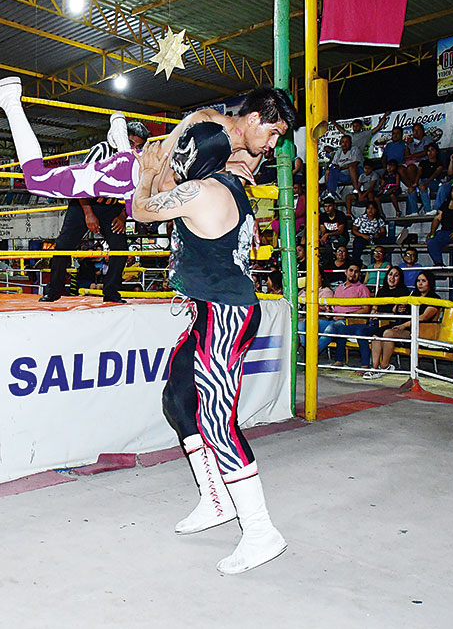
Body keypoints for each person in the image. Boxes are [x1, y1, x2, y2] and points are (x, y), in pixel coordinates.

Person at [130, 86, 295, 575]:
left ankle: (262, 531)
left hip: (226, 315)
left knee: (219, 424)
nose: (268, 146)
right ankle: (215, 500)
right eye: (270, 133)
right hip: (215, 310)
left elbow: (140, 212)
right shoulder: (230, 182)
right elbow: (216, 131)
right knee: (179, 399)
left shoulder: (203, 192)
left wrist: (146, 174)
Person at [0, 77, 277, 212]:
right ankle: (10, 101)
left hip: (133, 183)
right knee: (37, 180)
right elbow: (163, 176)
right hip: (128, 176)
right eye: (273, 132)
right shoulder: (206, 119)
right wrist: (220, 171)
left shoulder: (254, 155)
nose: (273, 145)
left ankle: (122, 142)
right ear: (254, 119)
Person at [41, 120, 150, 303]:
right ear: (121, 137)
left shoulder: (138, 159)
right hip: (84, 202)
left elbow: (136, 191)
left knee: (120, 249)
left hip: (112, 208)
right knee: (63, 246)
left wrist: (123, 216)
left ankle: (111, 293)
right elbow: (80, 182)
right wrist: (88, 213)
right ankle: (53, 291)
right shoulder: (102, 150)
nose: (133, 148)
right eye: (131, 143)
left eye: (138, 145)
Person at [364, 271, 440, 378]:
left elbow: (423, 317)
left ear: (430, 283)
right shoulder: (413, 295)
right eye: (418, 281)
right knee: (376, 335)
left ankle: (384, 366)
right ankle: (374, 367)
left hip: (420, 330)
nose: (420, 283)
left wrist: (403, 325)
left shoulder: (435, 298)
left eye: (423, 281)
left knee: (388, 333)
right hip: (404, 326)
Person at [350, 266, 410, 370]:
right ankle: (374, 367)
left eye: (396, 275)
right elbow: (374, 309)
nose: (392, 278)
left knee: (384, 333)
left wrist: (383, 313)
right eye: (390, 274)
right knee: (374, 336)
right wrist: (382, 312)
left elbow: (398, 314)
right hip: (377, 323)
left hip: (396, 324)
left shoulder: (404, 292)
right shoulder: (381, 291)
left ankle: (383, 366)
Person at [320, 260, 371, 367]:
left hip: (349, 320)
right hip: (333, 318)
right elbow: (335, 307)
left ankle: (309, 356)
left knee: (332, 328)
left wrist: (346, 315)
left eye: (356, 271)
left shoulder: (362, 288)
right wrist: (329, 312)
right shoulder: (339, 288)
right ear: (345, 272)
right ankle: (303, 352)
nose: (353, 274)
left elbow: (366, 309)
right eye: (351, 270)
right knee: (307, 324)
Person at [409, 143, 444, 214]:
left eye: (432, 150)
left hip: (434, 182)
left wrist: (426, 183)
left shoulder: (439, 164)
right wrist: (415, 183)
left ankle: (427, 210)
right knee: (410, 189)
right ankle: (414, 212)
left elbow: (435, 174)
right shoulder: (423, 163)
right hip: (422, 181)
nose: (430, 152)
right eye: (428, 150)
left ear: (436, 152)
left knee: (422, 187)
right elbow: (419, 173)